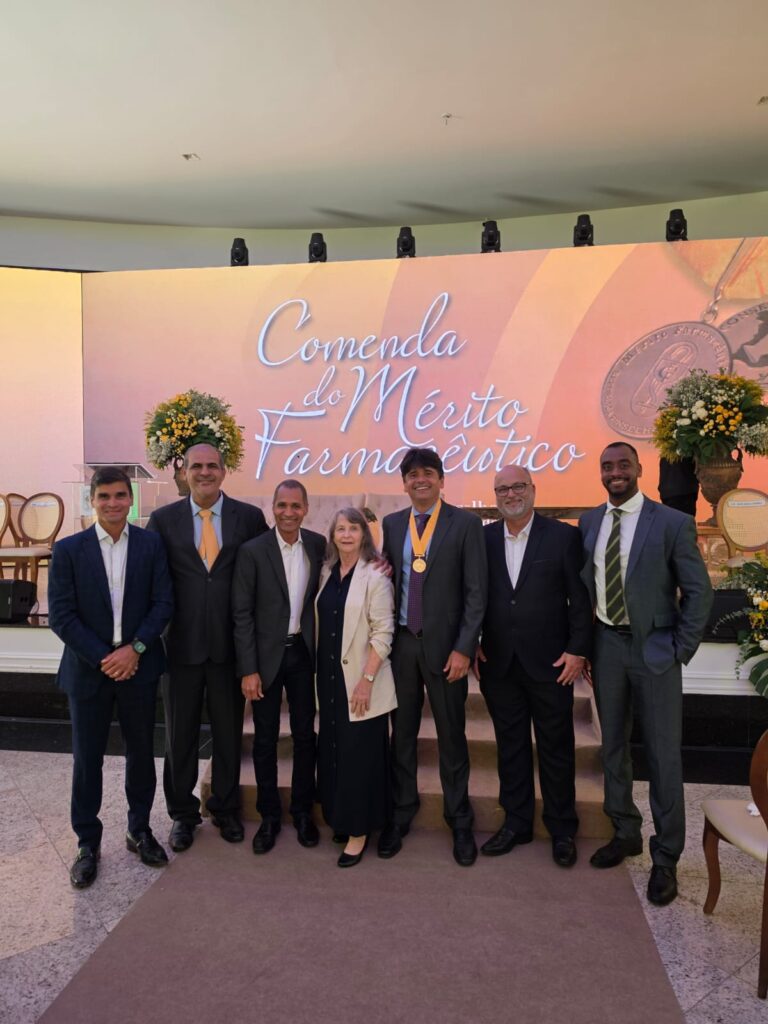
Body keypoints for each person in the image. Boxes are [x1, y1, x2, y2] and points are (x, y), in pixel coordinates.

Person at [579, 441, 713, 905]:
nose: (615, 472)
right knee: (613, 746)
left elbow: (699, 592)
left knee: (662, 756)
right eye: (607, 466)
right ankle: (625, 831)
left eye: (623, 464)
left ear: (638, 469)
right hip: (607, 647)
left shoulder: (672, 522)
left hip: (655, 650)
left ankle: (666, 856)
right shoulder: (590, 522)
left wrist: (679, 648)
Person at [48, 467, 174, 889]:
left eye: (120, 495)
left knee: (141, 753)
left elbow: (163, 602)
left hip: (139, 667)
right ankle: (87, 843)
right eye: (104, 496)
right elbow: (61, 615)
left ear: (131, 500)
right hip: (89, 671)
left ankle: (140, 830)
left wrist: (134, 649)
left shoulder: (151, 545)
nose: (113, 503)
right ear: (92, 500)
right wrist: (107, 657)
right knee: (88, 759)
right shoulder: (68, 550)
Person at [147, 443, 268, 852]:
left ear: (223, 471)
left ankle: (225, 807)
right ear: (184, 472)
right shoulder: (163, 520)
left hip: (229, 648)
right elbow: (151, 580)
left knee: (228, 734)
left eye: (212, 466)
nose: (204, 473)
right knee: (179, 736)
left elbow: (264, 576)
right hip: (179, 648)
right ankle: (183, 815)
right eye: (196, 466)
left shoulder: (248, 518)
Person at [475, 465, 592, 867]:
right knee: (510, 748)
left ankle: (562, 829)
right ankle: (516, 823)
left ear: (533, 489)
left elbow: (580, 598)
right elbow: (473, 594)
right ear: (495, 496)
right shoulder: (484, 539)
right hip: (499, 663)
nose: (511, 494)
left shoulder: (562, 536)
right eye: (502, 489)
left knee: (556, 748)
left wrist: (577, 649)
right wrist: (472, 642)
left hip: (552, 664)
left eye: (518, 486)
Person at [378, 448, 487, 866]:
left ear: (441, 480)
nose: (419, 480)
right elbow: (388, 579)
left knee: (451, 736)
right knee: (401, 735)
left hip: (446, 650)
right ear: (404, 483)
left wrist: (464, 647)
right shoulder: (392, 524)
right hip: (403, 645)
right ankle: (401, 812)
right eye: (412, 475)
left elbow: (476, 593)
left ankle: (459, 819)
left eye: (427, 473)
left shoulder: (466, 524)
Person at [231, 480, 325, 854]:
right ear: (273, 507)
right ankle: (269, 816)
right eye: (282, 505)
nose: (289, 512)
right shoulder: (253, 551)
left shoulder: (318, 545)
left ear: (306, 508)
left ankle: (302, 812)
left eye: (296, 506)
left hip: (302, 653)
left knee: (305, 735)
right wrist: (248, 668)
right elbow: (241, 613)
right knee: (265, 739)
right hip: (265, 658)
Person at [315, 508, 397, 867]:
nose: (346, 535)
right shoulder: (327, 572)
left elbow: (384, 633)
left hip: (361, 682)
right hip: (329, 679)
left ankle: (359, 831)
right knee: (334, 751)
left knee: (359, 757)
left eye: (353, 528)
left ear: (364, 534)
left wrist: (366, 681)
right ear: (332, 535)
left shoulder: (375, 576)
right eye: (340, 529)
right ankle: (341, 817)